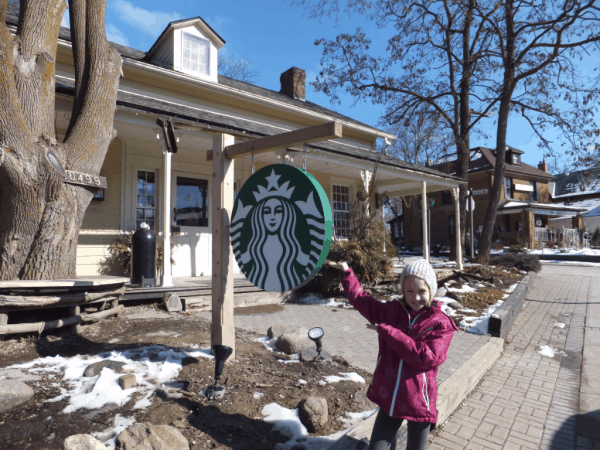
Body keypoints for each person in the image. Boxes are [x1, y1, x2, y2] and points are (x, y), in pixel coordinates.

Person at [328, 259, 458, 450]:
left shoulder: (440, 323)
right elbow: (362, 300)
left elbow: (424, 358)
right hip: (390, 397)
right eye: (409, 291)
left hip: (419, 402)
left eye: (422, 291)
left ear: (431, 289)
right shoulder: (391, 312)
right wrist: (347, 272)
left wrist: (389, 332)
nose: (415, 297)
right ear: (403, 291)